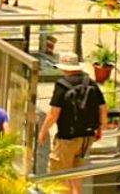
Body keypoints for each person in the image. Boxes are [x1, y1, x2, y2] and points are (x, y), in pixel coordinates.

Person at [38, 52, 108, 194]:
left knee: (59, 179)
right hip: (86, 137)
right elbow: (104, 108)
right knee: (76, 177)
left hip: (67, 138)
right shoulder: (90, 82)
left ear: (64, 68)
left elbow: (53, 114)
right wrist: (100, 128)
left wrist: (43, 132)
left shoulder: (62, 86)